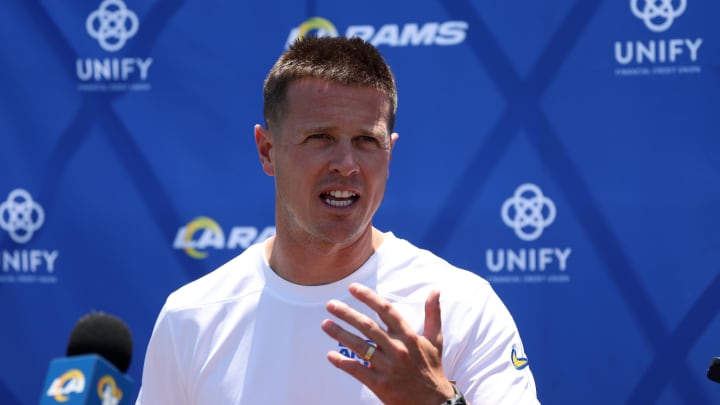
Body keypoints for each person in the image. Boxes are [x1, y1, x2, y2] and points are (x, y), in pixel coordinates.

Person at [136, 36, 539, 404]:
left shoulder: (461, 306)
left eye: (367, 141)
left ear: (389, 153)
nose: (347, 165)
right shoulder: (190, 318)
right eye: (320, 138)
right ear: (266, 151)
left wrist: (439, 403)